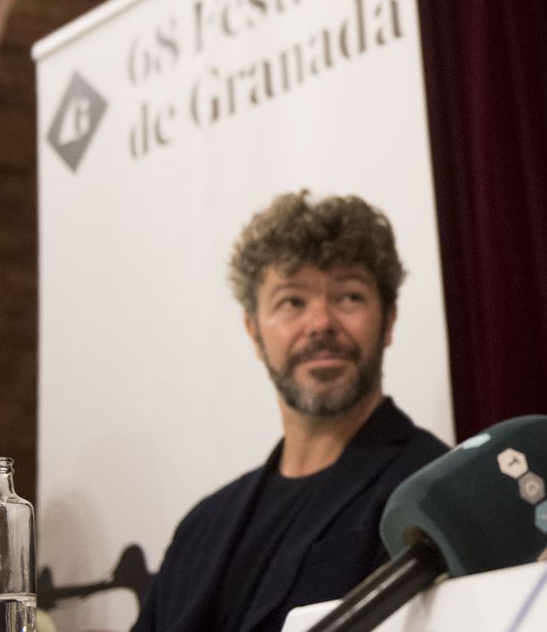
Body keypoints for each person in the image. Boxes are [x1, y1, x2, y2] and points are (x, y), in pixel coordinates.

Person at [133, 192, 448, 632]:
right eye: (292, 302)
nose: (320, 323)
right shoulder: (200, 527)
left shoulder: (431, 493)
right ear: (253, 331)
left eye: (349, 297)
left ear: (390, 320)